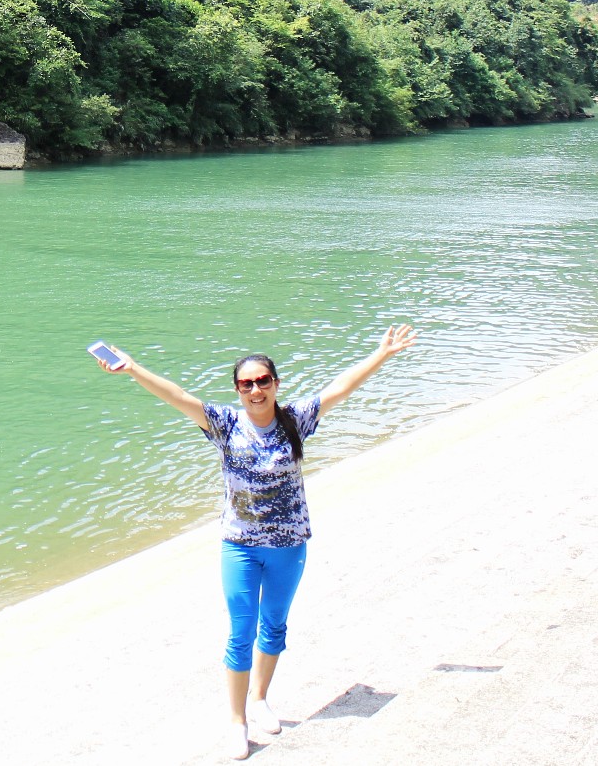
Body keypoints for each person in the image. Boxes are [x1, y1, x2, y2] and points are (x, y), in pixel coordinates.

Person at [100, 325, 418, 761]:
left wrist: (381, 353)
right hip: (241, 546)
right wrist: (133, 369)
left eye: (262, 381)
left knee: (274, 626)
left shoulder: (295, 420)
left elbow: (340, 388)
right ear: (237, 389)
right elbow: (176, 396)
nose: (255, 389)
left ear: (275, 384)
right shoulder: (224, 424)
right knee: (241, 631)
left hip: (289, 544)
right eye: (246, 384)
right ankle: (237, 722)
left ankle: (260, 698)